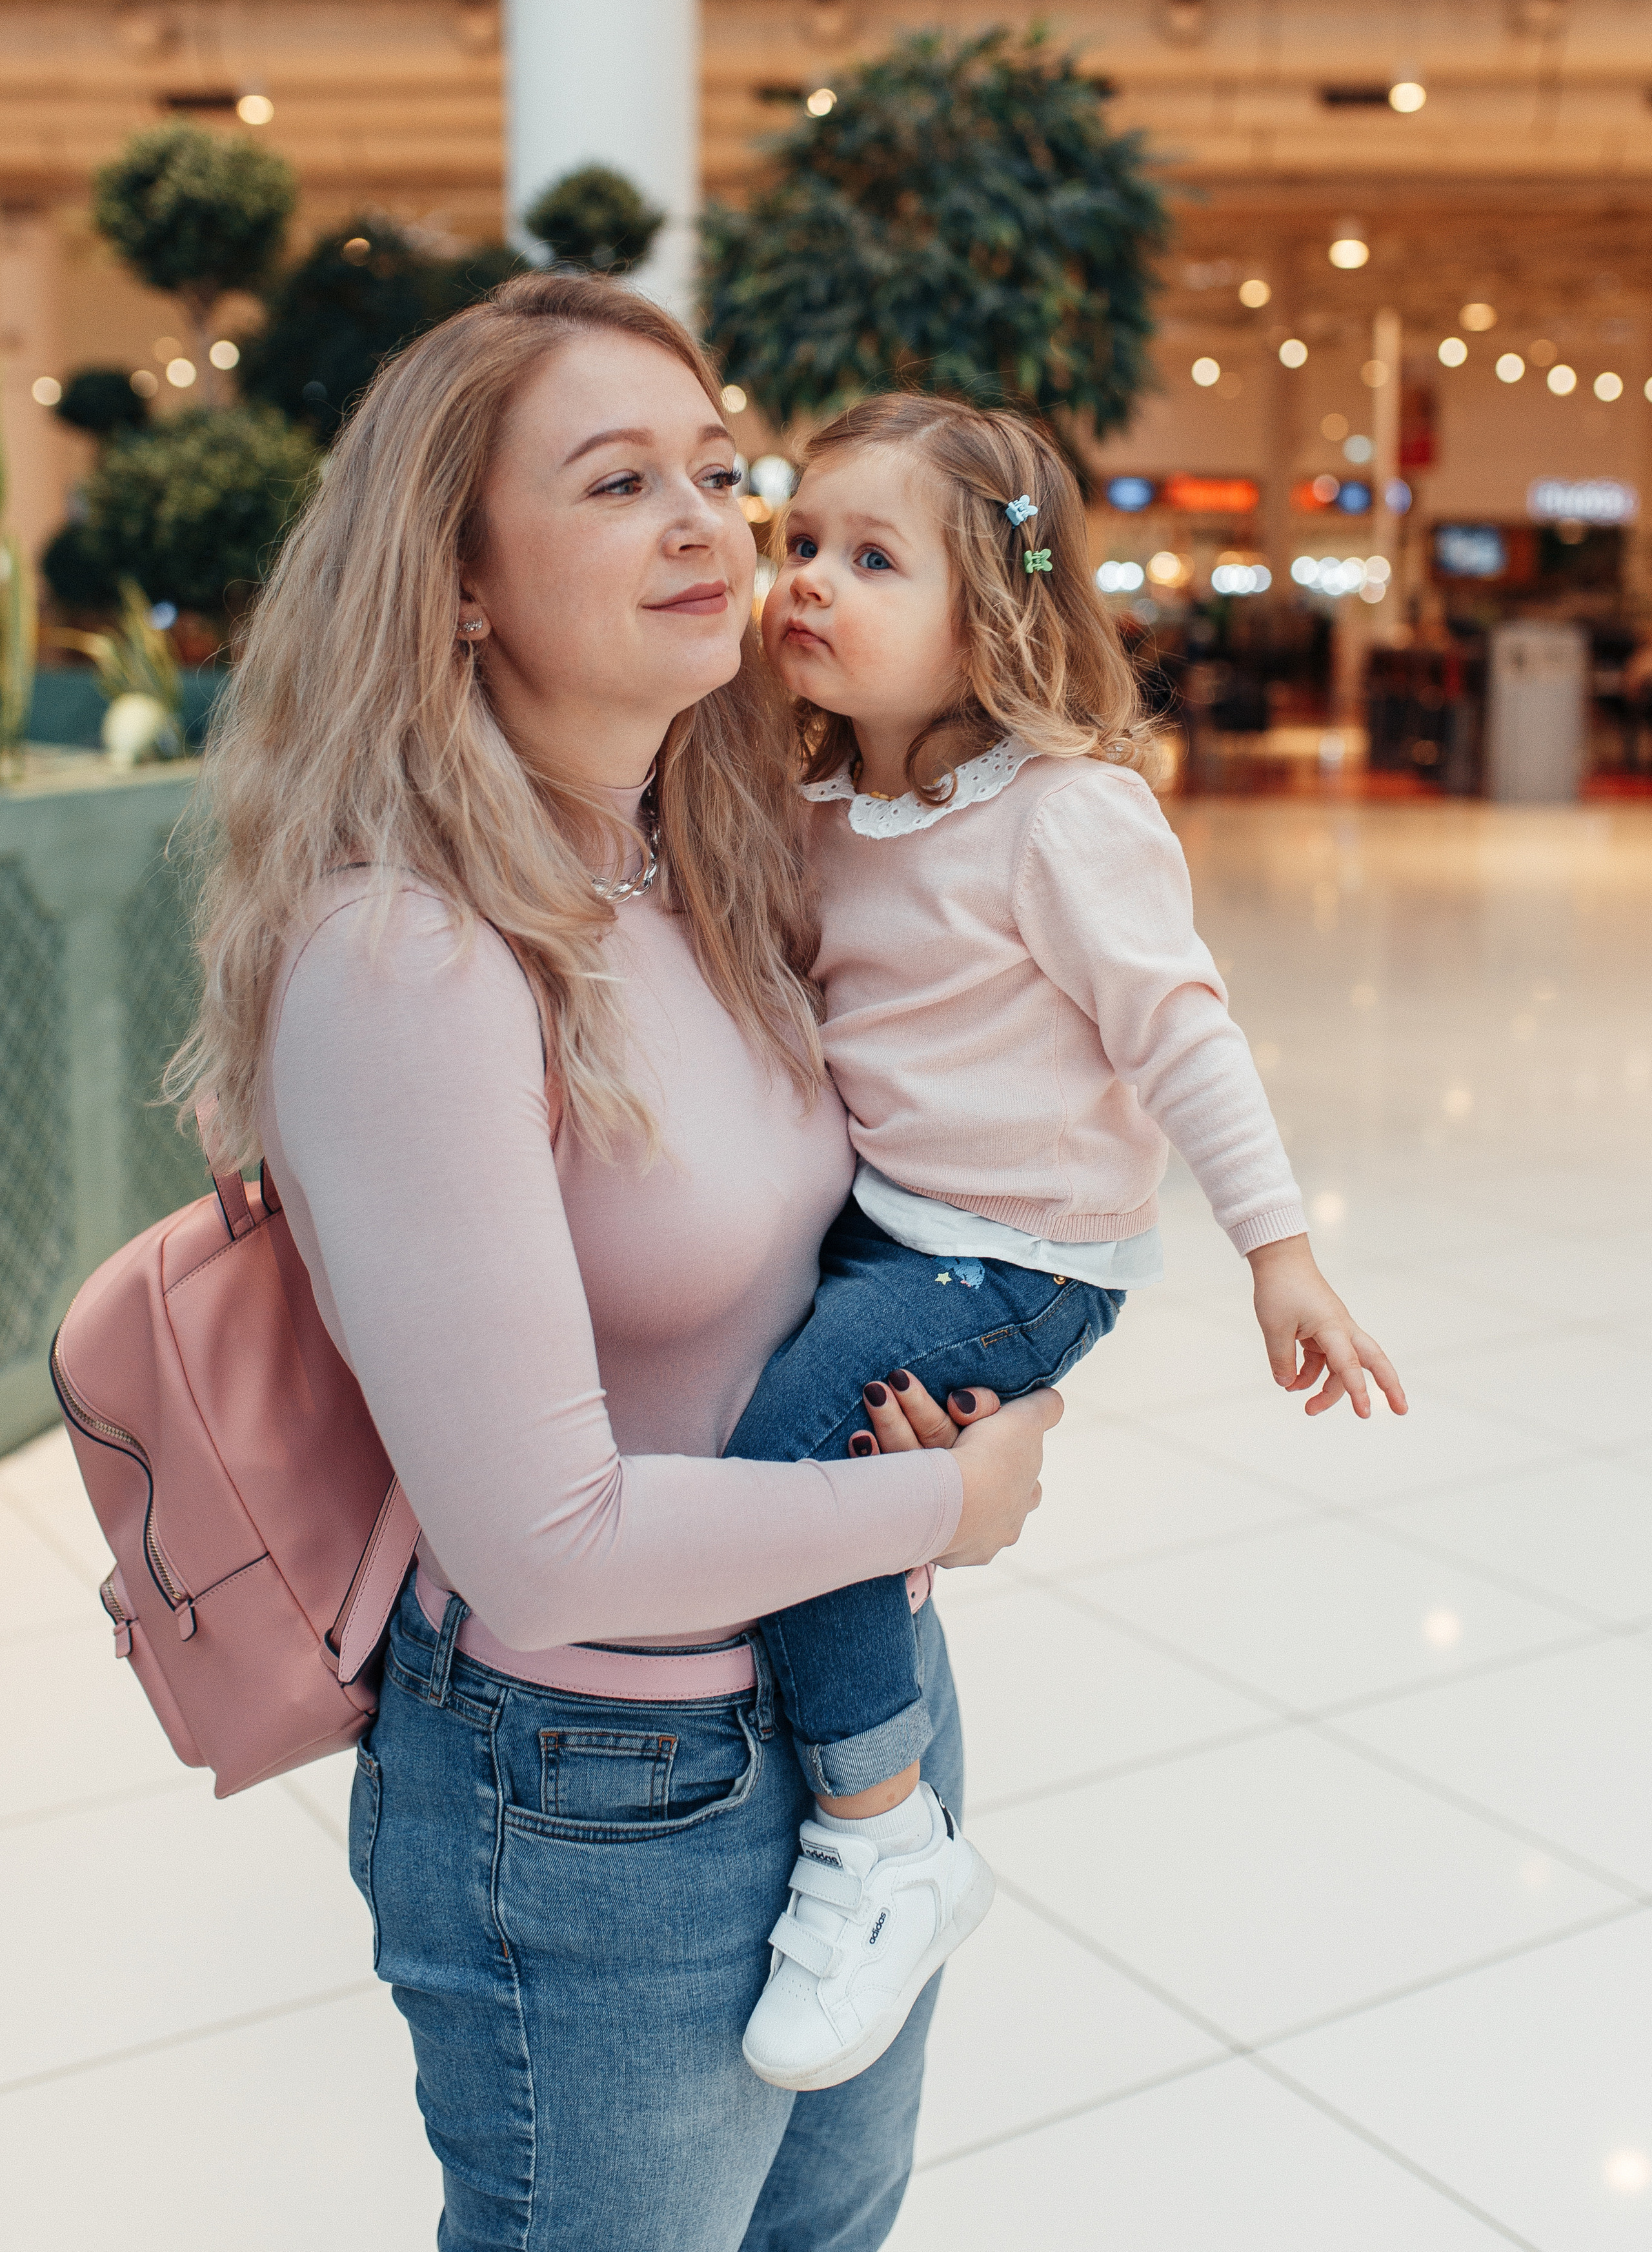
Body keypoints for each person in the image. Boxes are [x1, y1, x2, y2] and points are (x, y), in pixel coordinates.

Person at [167, 274, 1060, 2252]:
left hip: (853, 1709)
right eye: (617, 481)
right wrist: (951, 1499)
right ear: (462, 580)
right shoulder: (411, 956)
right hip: (598, 1791)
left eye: (719, 473)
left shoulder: (703, 862)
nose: (704, 524)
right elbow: (545, 1539)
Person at [724, 394, 1408, 2092]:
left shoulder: (1063, 813)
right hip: (894, 1228)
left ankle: (888, 1846)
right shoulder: (822, 802)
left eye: (872, 559)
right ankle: (874, 1725)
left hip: (1012, 1259)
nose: (810, 579)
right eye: (799, 542)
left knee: (791, 1461)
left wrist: (1282, 1251)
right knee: (826, 1466)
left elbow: (1184, 1033)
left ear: (996, 615)